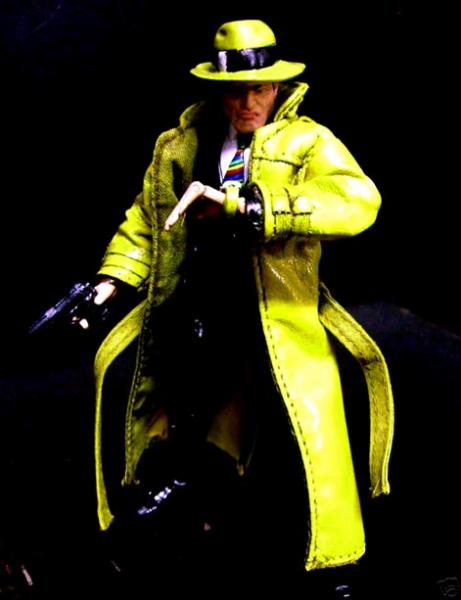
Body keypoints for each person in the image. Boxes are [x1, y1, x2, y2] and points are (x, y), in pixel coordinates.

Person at [90, 18, 394, 587]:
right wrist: (114, 278)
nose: (248, 103)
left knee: (305, 432)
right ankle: (184, 517)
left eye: (259, 89)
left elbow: (356, 201)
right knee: (183, 413)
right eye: (235, 91)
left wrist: (257, 207)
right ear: (218, 90)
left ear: (277, 86)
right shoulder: (186, 144)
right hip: (201, 305)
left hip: (277, 314)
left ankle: (334, 556)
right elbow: (147, 219)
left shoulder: (307, 142)